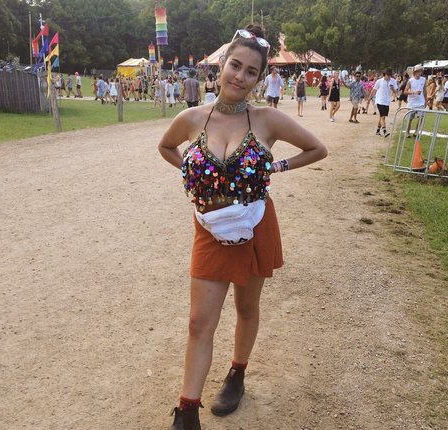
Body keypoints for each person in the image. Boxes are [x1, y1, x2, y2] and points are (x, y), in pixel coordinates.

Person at [158, 24, 327, 430]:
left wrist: (276, 166)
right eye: (235, 65)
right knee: (199, 322)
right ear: (222, 64)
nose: (240, 76)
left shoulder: (267, 119)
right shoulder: (191, 118)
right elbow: (166, 146)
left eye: (251, 71)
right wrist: (192, 172)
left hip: (254, 227)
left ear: (259, 78)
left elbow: (317, 149)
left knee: (247, 307)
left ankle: (237, 374)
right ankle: (187, 412)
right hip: (209, 229)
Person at [368, 69, 393, 137]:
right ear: (384, 74)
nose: (389, 76)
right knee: (383, 117)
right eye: (388, 75)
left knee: (382, 116)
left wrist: (393, 89)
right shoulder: (379, 81)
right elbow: (374, 90)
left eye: (390, 75)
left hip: (387, 102)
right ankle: (385, 131)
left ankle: (378, 130)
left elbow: (395, 90)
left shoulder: (392, 81)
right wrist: (369, 98)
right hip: (380, 101)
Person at [404, 65, 427, 137]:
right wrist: (414, 92)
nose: (420, 73)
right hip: (412, 102)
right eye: (418, 71)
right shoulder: (410, 80)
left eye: (421, 71)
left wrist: (426, 100)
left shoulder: (423, 79)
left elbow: (424, 90)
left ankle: (416, 131)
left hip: (421, 102)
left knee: (421, 117)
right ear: (415, 72)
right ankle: (407, 132)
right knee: (410, 119)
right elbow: (405, 92)